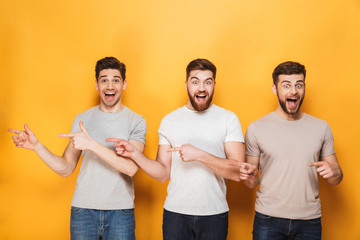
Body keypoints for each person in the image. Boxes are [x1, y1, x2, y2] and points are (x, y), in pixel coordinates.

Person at [8, 57, 146, 240]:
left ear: (124, 84)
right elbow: (66, 168)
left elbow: (130, 168)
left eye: (116, 80)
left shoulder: (136, 121)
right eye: (104, 80)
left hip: (120, 211)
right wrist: (37, 146)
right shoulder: (83, 119)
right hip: (83, 212)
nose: (110, 86)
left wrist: (91, 144)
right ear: (97, 84)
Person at [107, 58, 245, 240]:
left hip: (214, 215)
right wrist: (134, 154)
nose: (201, 88)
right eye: (195, 81)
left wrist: (200, 155)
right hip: (176, 215)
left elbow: (237, 172)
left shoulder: (228, 119)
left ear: (214, 85)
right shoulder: (170, 121)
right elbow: (163, 173)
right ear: (186, 84)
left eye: (207, 82)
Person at [240, 61, 343, 240]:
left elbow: (336, 179)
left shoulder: (321, 128)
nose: (293, 91)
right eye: (286, 85)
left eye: (298, 85)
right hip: (268, 219)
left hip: (309, 221)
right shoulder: (256, 128)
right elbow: (250, 183)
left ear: (304, 88)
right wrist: (248, 175)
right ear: (275, 88)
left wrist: (333, 171)